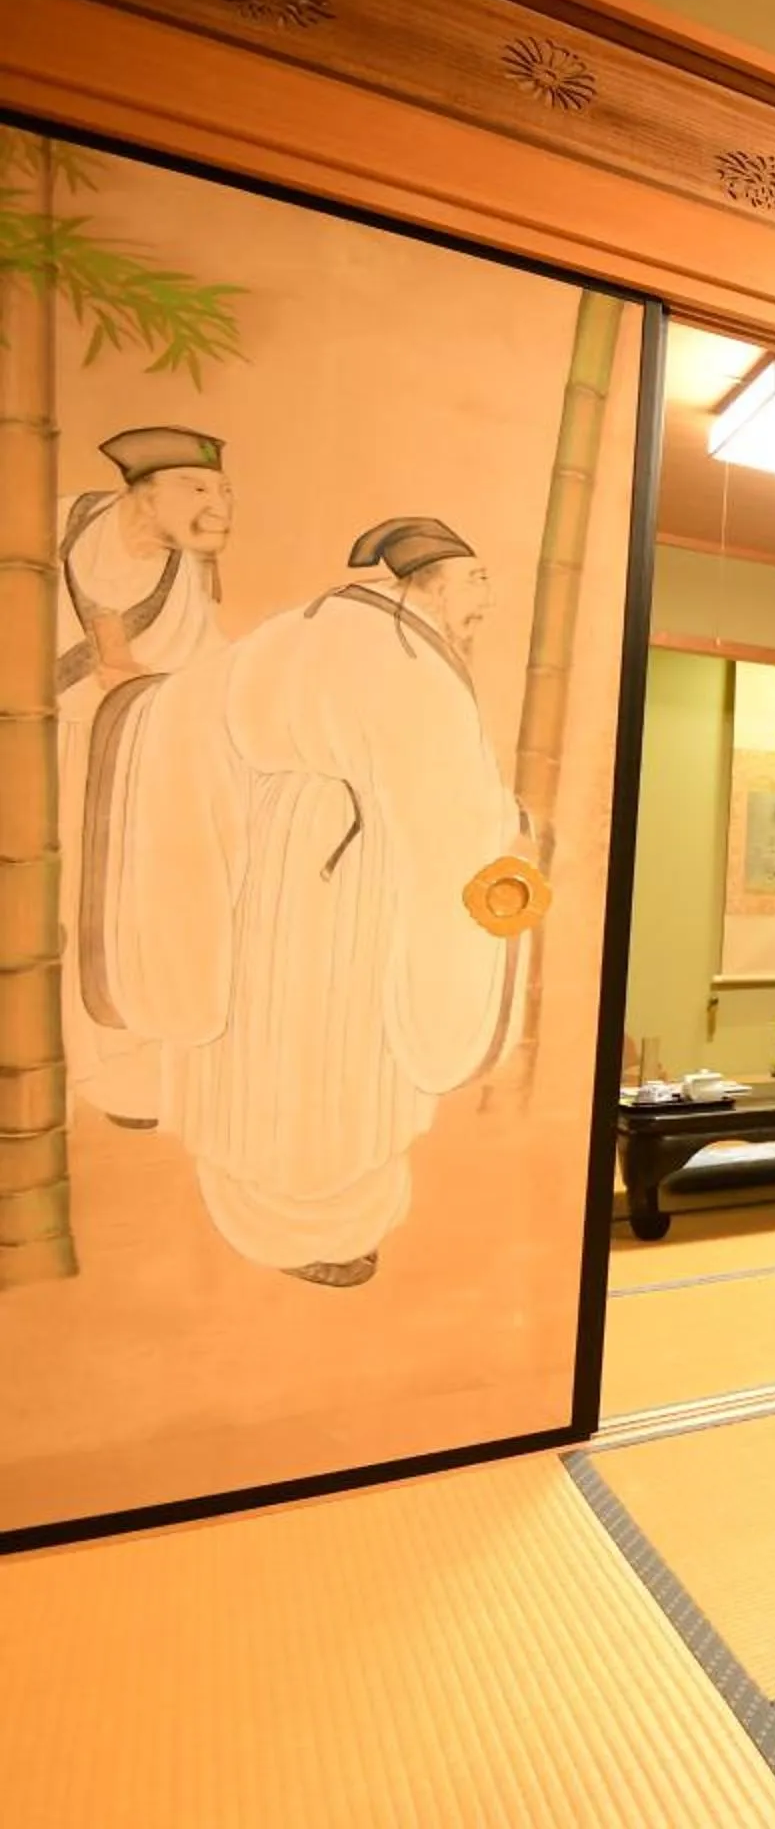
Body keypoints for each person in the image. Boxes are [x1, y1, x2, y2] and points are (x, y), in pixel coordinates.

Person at [81, 517, 528, 1286]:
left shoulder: (298, 629)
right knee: (333, 1047)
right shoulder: (409, 661)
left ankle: (262, 1211)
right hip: (355, 883)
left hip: (264, 860)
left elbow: (181, 712)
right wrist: (512, 835)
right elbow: (447, 817)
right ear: (429, 579)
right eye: (476, 581)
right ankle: (324, 1222)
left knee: (260, 1035)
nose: (483, 601)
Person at [55, 426, 236, 1129]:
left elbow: (206, 663)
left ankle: (113, 1077)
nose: (219, 505)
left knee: (119, 910)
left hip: (127, 761)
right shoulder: (53, 524)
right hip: (39, 750)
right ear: (144, 493)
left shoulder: (185, 569)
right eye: (197, 488)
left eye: (224, 491)